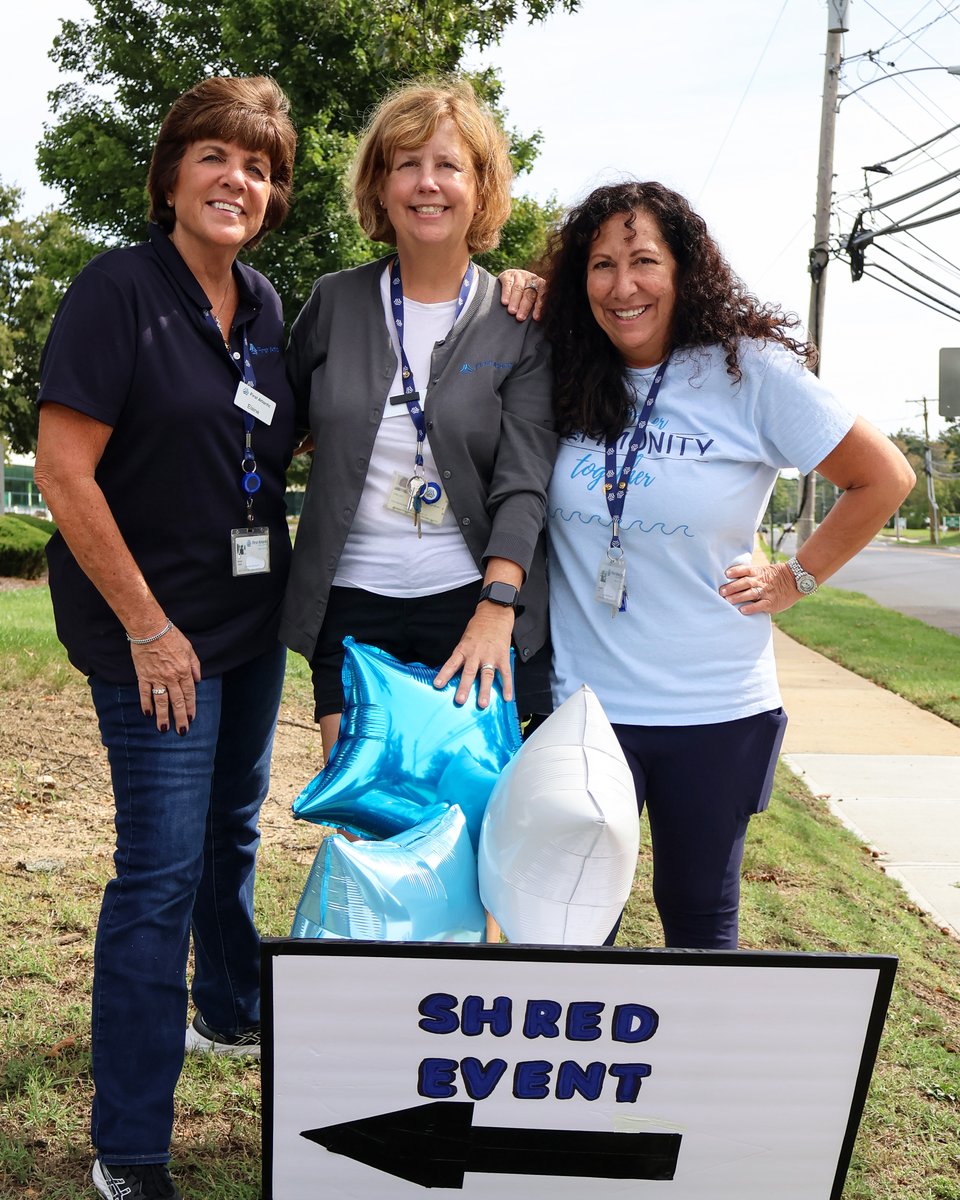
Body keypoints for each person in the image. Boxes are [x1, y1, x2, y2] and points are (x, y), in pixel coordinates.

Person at [33, 76, 297, 1200]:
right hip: (156, 641)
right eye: (216, 157)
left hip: (248, 627)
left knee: (233, 832)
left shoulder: (267, 306)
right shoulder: (116, 292)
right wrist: (148, 628)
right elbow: (63, 472)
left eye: (261, 167)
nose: (239, 180)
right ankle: (130, 1147)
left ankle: (227, 1010)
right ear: (172, 173)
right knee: (158, 872)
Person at [534, 180, 915, 950]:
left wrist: (794, 577)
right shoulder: (561, 366)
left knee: (699, 921)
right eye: (602, 265)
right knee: (572, 928)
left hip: (714, 708)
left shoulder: (749, 372)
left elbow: (883, 478)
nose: (623, 286)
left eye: (645, 261)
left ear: (684, 270)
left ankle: (694, 1041)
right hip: (584, 708)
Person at [280, 79, 556, 758]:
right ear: (381, 187)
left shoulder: (518, 320)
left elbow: (524, 484)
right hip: (350, 603)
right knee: (362, 804)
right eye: (407, 164)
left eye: (448, 165)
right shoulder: (334, 303)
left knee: (462, 808)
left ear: (482, 189)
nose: (427, 183)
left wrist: (497, 606)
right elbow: (279, 426)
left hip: (469, 603)